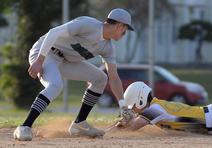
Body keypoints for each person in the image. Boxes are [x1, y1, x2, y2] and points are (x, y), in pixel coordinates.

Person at [13, 8, 135, 141]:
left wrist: (123, 106)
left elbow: (114, 77)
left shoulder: (108, 48)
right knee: (55, 85)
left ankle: (79, 124)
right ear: (119, 26)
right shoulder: (89, 24)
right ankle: (25, 126)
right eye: (125, 30)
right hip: (45, 53)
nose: (124, 34)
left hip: (65, 61)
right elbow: (54, 32)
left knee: (100, 78)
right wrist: (39, 60)